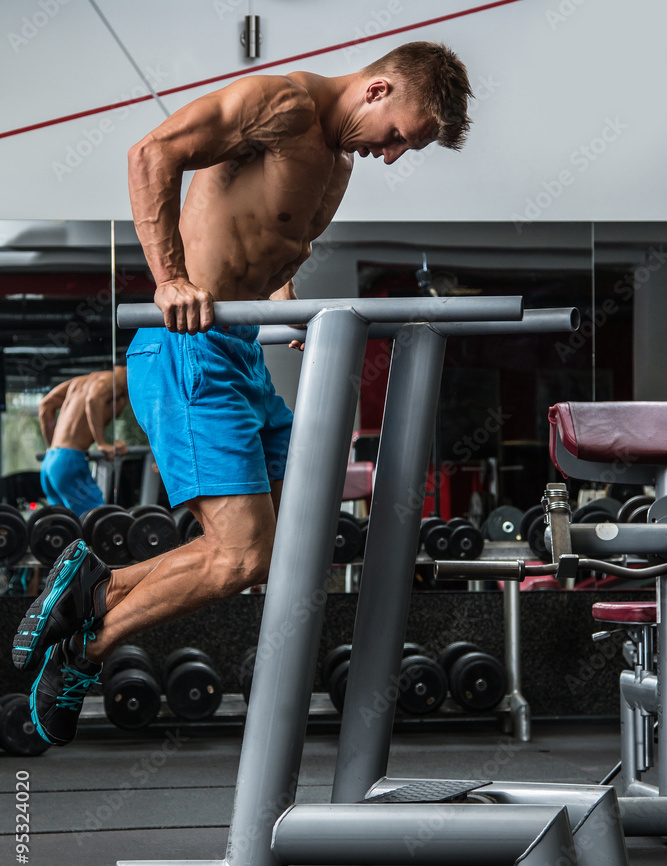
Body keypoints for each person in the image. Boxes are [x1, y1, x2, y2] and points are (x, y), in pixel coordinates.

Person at [14, 40, 472, 745]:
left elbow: (270, 236)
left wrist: (280, 300)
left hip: (241, 359)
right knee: (240, 558)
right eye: (396, 138)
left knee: (293, 540)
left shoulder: (339, 157)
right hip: (187, 352)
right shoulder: (280, 105)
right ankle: (88, 646)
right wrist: (168, 277)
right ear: (378, 90)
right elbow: (151, 153)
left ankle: (89, 586)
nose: (391, 156)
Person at [37, 367, 129, 516]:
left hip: (51, 461)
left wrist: (52, 447)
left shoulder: (80, 382)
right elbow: (93, 399)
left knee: (66, 527)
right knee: (99, 521)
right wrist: (102, 443)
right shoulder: (115, 380)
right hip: (69, 464)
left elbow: (45, 405)